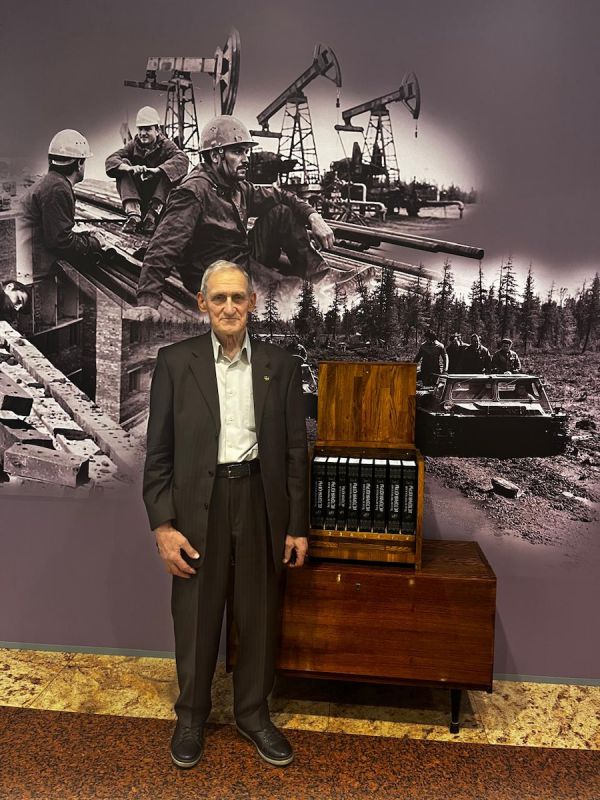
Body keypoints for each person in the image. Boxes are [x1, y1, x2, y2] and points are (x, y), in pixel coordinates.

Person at [143, 260, 309, 770]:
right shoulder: (175, 363)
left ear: (252, 303)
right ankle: (191, 716)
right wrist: (163, 525)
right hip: (199, 505)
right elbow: (158, 453)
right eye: (219, 298)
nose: (230, 307)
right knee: (195, 614)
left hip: (260, 501)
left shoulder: (281, 365)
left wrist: (297, 526)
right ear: (202, 303)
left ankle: (253, 715)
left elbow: (295, 452)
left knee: (258, 613)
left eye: (238, 297)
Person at [129, 114, 334, 322]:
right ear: (215, 156)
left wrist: (313, 217)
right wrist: (147, 302)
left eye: (246, 152)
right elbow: (162, 248)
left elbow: (281, 195)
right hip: (216, 276)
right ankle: (307, 293)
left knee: (282, 211)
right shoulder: (193, 193)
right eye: (237, 152)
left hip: (240, 259)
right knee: (288, 295)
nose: (246, 159)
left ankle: (324, 280)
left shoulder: (236, 186)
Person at [19, 130, 105, 275]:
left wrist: (84, 236)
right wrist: (94, 243)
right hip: (33, 268)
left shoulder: (51, 182)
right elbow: (61, 242)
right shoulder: (58, 189)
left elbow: (55, 231)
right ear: (79, 163)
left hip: (29, 254)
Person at [105, 106, 189, 234]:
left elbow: (183, 159)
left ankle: (152, 215)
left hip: (159, 200)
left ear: (157, 130)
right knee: (122, 165)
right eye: (140, 129)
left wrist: (158, 170)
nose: (143, 133)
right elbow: (111, 160)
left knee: (169, 170)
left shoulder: (166, 145)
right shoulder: (133, 144)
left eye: (148, 129)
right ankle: (134, 215)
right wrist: (129, 168)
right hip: (139, 198)